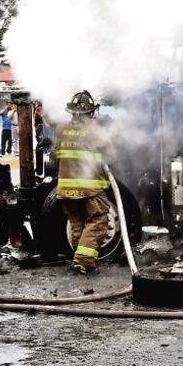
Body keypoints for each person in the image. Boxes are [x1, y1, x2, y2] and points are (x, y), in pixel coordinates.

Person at [57, 91, 112, 274]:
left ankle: (79, 261)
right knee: (97, 221)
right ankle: (83, 261)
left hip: (65, 189)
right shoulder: (95, 130)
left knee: (77, 223)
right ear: (90, 112)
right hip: (89, 188)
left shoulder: (61, 129)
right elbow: (112, 155)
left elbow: (57, 154)